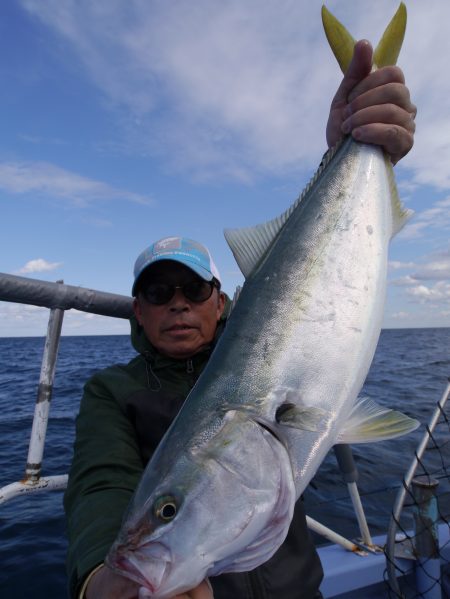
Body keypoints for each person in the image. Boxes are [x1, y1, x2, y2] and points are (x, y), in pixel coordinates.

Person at [64, 40, 416, 599]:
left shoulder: (260, 335)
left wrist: (349, 149)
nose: (177, 302)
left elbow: (309, 272)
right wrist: (98, 578)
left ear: (221, 301)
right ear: (138, 309)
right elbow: (99, 485)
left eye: (193, 288)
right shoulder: (112, 392)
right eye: (158, 291)